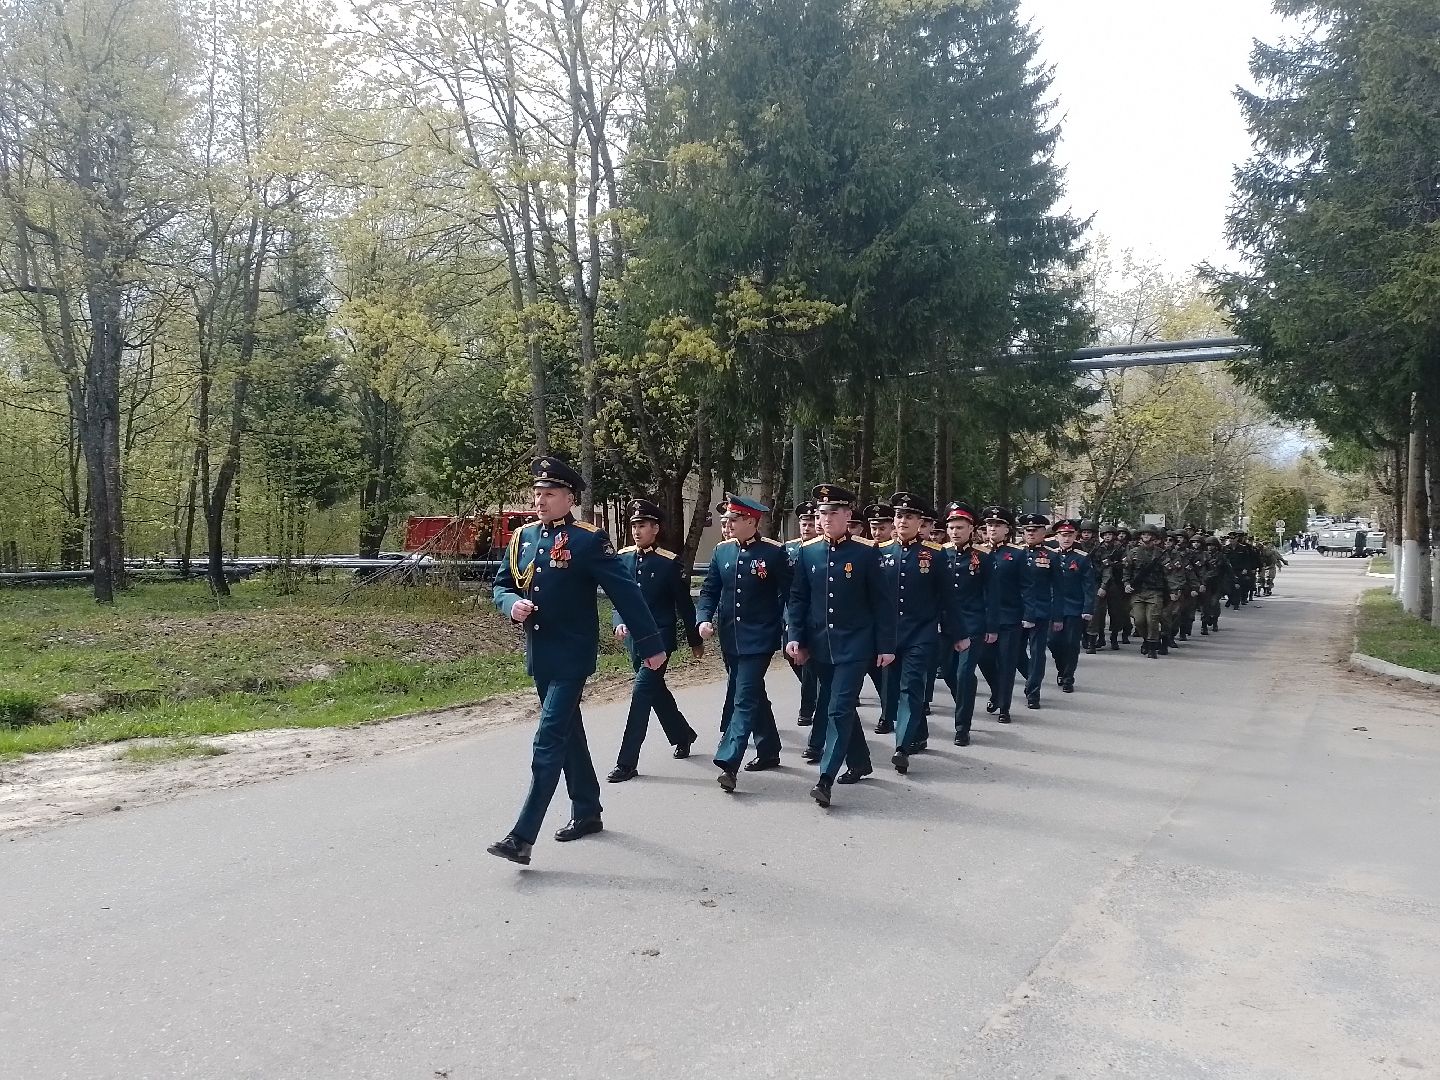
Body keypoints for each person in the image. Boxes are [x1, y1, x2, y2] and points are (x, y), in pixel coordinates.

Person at [487, 457, 667, 867]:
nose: (541, 500)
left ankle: (521, 837)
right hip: (540, 653)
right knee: (569, 733)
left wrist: (651, 644)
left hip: (572, 654)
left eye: (549, 494)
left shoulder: (589, 540)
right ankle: (587, 810)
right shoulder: (523, 538)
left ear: (570, 498)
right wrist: (511, 604)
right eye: (537, 493)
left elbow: (626, 593)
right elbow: (501, 585)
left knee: (548, 740)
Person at [786, 484, 896, 807]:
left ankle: (825, 778)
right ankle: (860, 761)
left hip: (855, 647)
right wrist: (797, 638)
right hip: (821, 647)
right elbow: (798, 600)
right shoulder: (808, 552)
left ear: (848, 516)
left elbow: (882, 603)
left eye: (834, 512)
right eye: (822, 513)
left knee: (837, 707)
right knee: (841, 707)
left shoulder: (866, 552)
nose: (826, 519)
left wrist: (886, 645)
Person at [606, 498, 703, 784]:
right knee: (655, 692)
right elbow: (617, 599)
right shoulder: (622, 558)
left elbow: (685, 606)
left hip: (660, 640)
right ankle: (683, 734)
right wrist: (618, 621)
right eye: (634, 525)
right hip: (634, 640)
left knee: (640, 695)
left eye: (643, 525)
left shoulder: (669, 563)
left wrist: (695, 639)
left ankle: (627, 762)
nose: (637, 530)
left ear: (655, 528)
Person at [702, 495, 792, 790]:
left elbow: (791, 594)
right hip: (730, 637)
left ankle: (729, 761)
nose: (726, 524)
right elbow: (710, 590)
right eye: (726, 519)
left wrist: (789, 627)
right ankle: (768, 749)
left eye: (733, 519)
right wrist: (703, 618)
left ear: (751, 522)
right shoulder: (721, 552)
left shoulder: (774, 553)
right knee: (752, 692)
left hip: (760, 637)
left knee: (743, 696)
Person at [878, 492, 950, 773]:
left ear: (920, 522)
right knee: (892, 691)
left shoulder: (934, 554)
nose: (903, 520)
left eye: (909, 516)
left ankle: (902, 746)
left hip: (921, 633)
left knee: (911, 688)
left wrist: (957, 632)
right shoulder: (881, 552)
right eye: (899, 516)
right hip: (888, 636)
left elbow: (947, 598)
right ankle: (918, 733)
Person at [941, 501, 996, 745]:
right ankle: (965, 696)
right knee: (950, 673)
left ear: (971, 529)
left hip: (973, 624)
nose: (955, 531)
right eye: (951, 527)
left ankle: (962, 727)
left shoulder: (982, 557)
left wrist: (992, 626)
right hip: (946, 625)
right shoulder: (939, 553)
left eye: (960, 527)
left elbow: (992, 594)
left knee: (964, 673)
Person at [980, 506, 1025, 724]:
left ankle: (1004, 707)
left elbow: (1027, 586)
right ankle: (996, 690)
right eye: (989, 525)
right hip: (985, 617)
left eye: (998, 525)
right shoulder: (977, 553)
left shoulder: (1017, 555)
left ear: (1007, 530)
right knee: (985, 659)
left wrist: (1028, 614)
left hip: (1009, 617)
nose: (993, 529)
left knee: (1007, 662)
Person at [1016, 513, 1060, 711]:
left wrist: (1058, 615)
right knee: (1016, 653)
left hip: (1041, 612)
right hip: (1017, 611)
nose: (1031, 533)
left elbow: (1059, 589)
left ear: (1044, 532)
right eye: (1027, 530)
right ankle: (1031, 678)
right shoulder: (1016, 554)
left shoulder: (1052, 556)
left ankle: (1033, 691)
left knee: (1036, 653)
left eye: (1035, 530)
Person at [785, 501, 820, 727]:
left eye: (810, 523)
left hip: (816, 614)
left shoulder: (820, 550)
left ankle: (807, 708)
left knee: (810, 664)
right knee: (792, 657)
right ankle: (815, 690)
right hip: (792, 611)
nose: (806, 527)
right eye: (803, 523)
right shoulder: (789, 549)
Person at [1048, 519, 1093, 693]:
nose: (1066, 539)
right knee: (1053, 642)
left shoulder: (1082, 558)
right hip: (1053, 607)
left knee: (1071, 644)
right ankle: (1061, 668)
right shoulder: (1050, 556)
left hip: (1074, 607)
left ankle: (1068, 677)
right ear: (1057, 536)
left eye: (1070, 535)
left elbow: (1088, 585)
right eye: (1063, 535)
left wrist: (1088, 608)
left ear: (1075, 536)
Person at [1123, 524, 1168, 659]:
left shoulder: (1161, 554)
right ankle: (1146, 640)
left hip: (1155, 592)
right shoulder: (1133, 552)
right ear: (1140, 536)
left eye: (1149, 534)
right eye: (1144, 534)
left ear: (1154, 537)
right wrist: (1126, 583)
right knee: (1139, 621)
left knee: (1152, 620)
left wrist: (1174, 590)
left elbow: (1169, 573)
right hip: (1138, 592)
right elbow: (1127, 570)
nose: (1146, 536)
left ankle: (1152, 646)